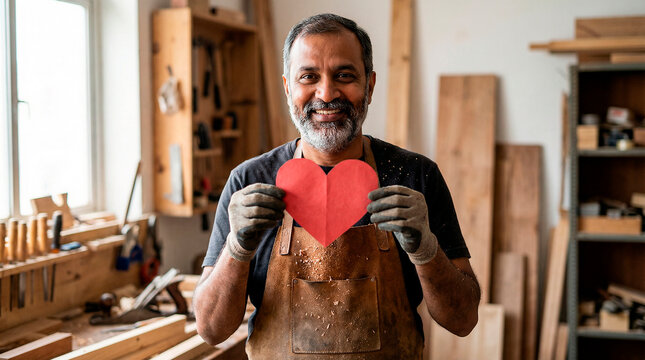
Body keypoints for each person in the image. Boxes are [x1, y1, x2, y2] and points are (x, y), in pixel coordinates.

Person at [194, 13, 480, 359]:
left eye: (344, 76)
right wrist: (237, 248)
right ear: (288, 88)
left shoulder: (415, 177)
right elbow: (211, 330)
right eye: (309, 77)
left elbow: (462, 320)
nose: (327, 93)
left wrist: (425, 249)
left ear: (370, 86)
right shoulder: (250, 182)